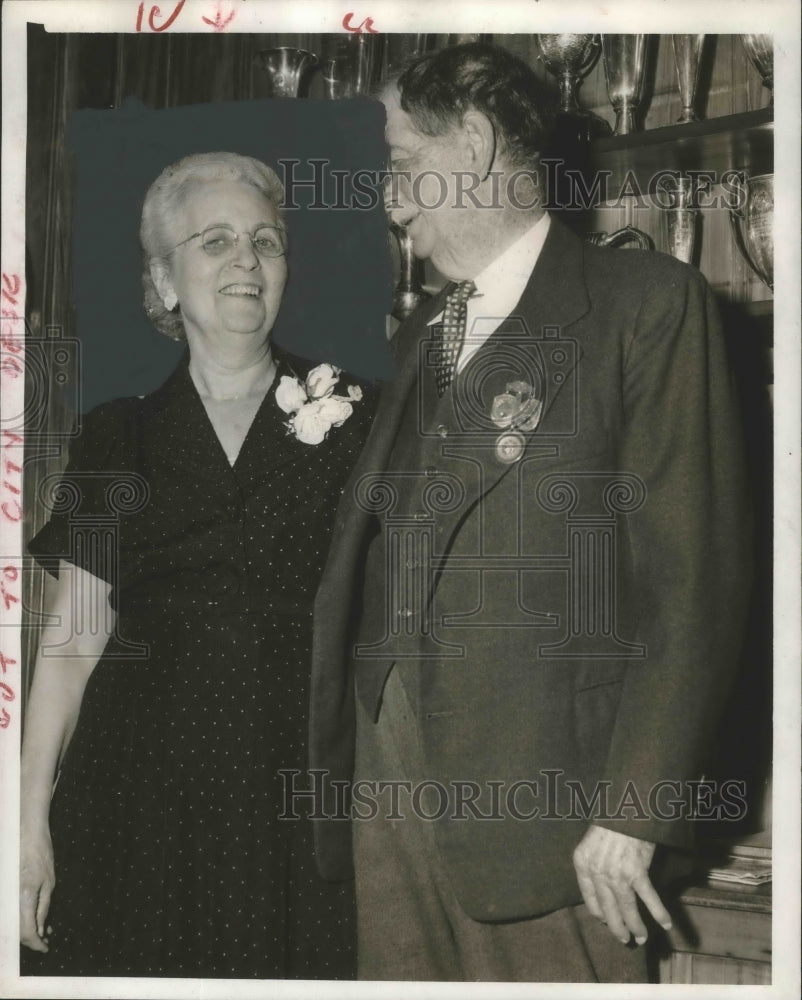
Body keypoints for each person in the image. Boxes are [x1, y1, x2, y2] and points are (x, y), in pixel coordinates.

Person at [310, 44, 751, 982]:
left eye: (399, 163)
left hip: (552, 813)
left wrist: (634, 810)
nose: (385, 198)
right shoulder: (423, 331)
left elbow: (692, 584)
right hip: (390, 791)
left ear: (471, 144)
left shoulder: (644, 305)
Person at [20, 151, 373, 978]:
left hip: (294, 794)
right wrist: (27, 824)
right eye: (215, 241)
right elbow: (71, 647)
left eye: (265, 241)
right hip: (136, 793)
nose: (247, 259)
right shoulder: (119, 434)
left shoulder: (358, 419)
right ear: (164, 280)